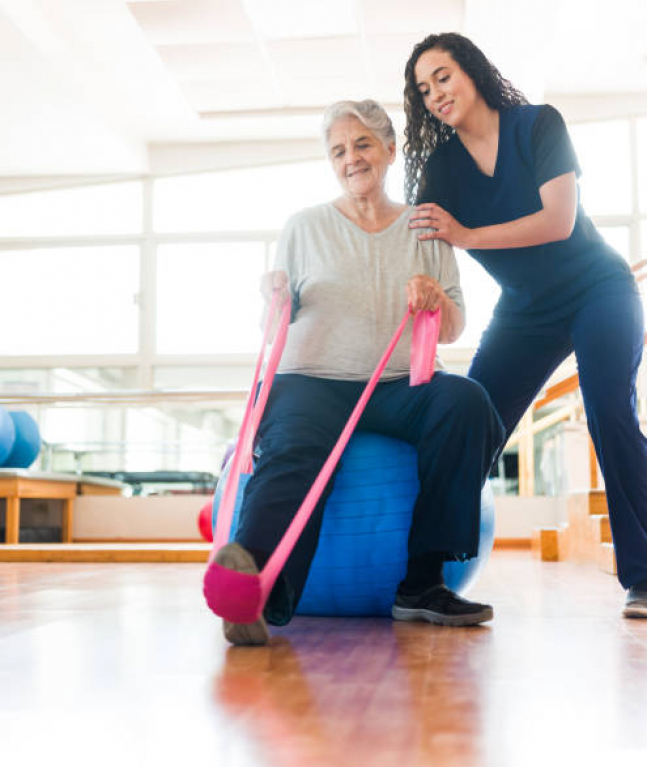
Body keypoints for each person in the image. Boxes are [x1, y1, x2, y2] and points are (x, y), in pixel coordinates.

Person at [214, 99, 504, 645]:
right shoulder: (303, 226)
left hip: (396, 384)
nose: (352, 159)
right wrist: (275, 297)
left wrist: (436, 298)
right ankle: (252, 586)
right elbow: (276, 322)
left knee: (465, 402)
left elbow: (452, 329)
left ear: (390, 150)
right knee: (294, 450)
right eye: (339, 150)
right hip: (311, 378)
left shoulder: (426, 224)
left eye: (363, 144)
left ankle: (422, 585)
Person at [403, 32, 647, 619]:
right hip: (525, 310)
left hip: (599, 289)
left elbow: (558, 220)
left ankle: (644, 577)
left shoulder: (538, 124)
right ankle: (421, 582)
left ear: (472, 71)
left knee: (609, 409)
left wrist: (467, 236)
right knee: (471, 420)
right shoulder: (442, 168)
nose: (435, 93)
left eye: (443, 76)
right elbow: (415, 244)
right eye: (422, 89)